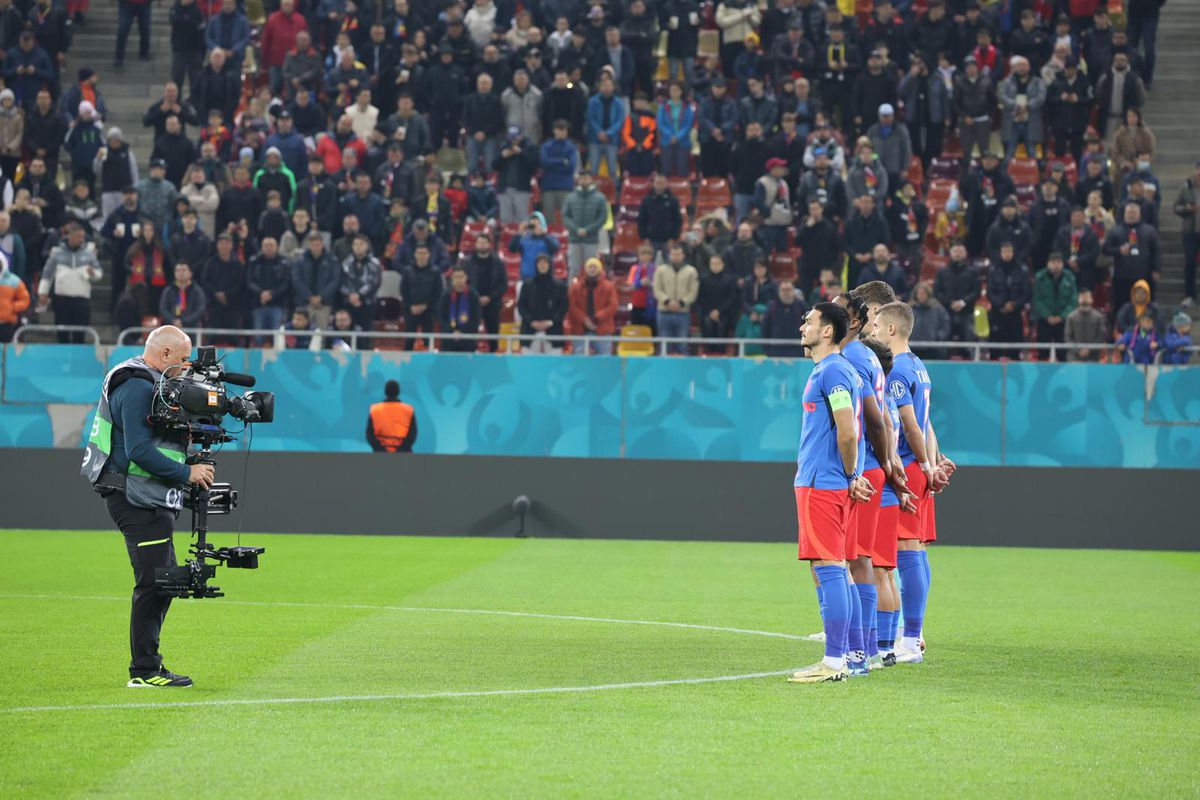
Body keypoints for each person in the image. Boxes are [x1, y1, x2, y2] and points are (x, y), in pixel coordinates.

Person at [83, 325, 213, 688]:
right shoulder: (138, 385)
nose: (188, 368)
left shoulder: (149, 382)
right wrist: (186, 473)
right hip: (132, 496)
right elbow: (139, 450)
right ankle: (144, 671)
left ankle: (148, 665)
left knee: (164, 580)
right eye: (185, 359)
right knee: (153, 582)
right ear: (166, 355)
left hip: (144, 494)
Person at [788, 302, 868, 684]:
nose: (802, 325)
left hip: (824, 484)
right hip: (826, 480)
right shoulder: (833, 369)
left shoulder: (834, 370)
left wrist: (851, 473)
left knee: (830, 568)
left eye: (809, 321)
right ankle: (854, 655)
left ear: (826, 332)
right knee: (838, 569)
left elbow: (848, 429)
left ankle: (834, 662)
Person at [871, 301, 937, 665]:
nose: (875, 330)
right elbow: (927, 424)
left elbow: (911, 425)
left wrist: (925, 465)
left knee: (907, 550)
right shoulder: (919, 365)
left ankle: (910, 639)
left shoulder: (896, 371)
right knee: (917, 549)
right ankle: (912, 633)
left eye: (879, 325)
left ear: (893, 330)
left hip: (908, 465)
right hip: (918, 465)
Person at [37, 223, 101, 342]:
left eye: (83, 237)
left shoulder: (89, 254)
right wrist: (43, 292)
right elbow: (47, 274)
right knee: (62, 332)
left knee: (80, 333)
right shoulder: (56, 253)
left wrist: (93, 273)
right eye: (78, 236)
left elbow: (99, 273)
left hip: (82, 299)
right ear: (70, 236)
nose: (81, 240)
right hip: (62, 299)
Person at [1104, 202, 1161, 320]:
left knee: (1147, 306)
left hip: (1143, 276)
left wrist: (1157, 269)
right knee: (1120, 306)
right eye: (1129, 213)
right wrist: (1119, 250)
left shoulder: (1149, 230)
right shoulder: (1116, 231)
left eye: (1134, 213)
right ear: (1124, 214)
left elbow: (1156, 251)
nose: (1131, 215)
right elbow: (1106, 249)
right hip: (1122, 277)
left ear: (1139, 214)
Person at [1032, 252, 1078, 360]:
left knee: (1062, 354)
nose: (1056, 265)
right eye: (1053, 262)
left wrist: (1061, 316)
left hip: (1063, 322)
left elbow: (1073, 301)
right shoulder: (1040, 277)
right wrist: (1048, 316)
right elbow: (1037, 300)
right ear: (1048, 264)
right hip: (1044, 321)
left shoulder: (1069, 278)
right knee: (1042, 354)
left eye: (1058, 262)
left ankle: (1063, 375)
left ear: (1062, 264)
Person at [517, 253, 567, 353]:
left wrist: (551, 322)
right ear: (536, 265)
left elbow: (563, 306)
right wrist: (532, 321)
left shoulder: (559, 285)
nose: (542, 265)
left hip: (554, 330)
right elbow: (521, 306)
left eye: (545, 263)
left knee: (555, 365)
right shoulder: (527, 285)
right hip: (530, 330)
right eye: (540, 263)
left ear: (550, 265)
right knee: (528, 365)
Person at [567, 257, 618, 355]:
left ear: (599, 269)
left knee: (604, 362)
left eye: (595, 266)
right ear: (586, 269)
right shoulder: (575, 288)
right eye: (590, 266)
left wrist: (596, 318)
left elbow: (613, 306)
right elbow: (572, 306)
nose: (592, 269)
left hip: (603, 330)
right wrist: (585, 320)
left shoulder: (609, 287)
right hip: (580, 330)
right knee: (579, 362)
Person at [998, 56, 1046, 160]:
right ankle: (1007, 175)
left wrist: (1028, 106)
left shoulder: (1038, 81)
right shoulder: (1007, 81)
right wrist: (1016, 106)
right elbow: (1001, 96)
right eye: (1019, 65)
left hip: (1030, 122)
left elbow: (1041, 97)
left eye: (1024, 65)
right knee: (1009, 154)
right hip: (1012, 122)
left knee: (1032, 153)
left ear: (1029, 67)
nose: (1022, 68)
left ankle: (1033, 174)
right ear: (1015, 67)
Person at [291, 231, 338, 329]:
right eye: (312, 245)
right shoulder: (299, 260)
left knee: (321, 334)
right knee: (301, 332)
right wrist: (310, 297)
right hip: (304, 302)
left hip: (324, 304)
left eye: (318, 244)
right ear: (308, 245)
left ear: (322, 244)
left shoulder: (332, 260)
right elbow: (296, 280)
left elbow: (334, 281)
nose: (315, 247)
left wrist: (320, 297)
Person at [400, 242, 443, 350]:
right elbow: (403, 290)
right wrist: (410, 306)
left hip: (429, 310)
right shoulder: (407, 271)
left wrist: (426, 305)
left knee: (429, 339)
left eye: (424, 253)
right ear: (415, 255)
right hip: (411, 310)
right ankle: (406, 362)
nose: (422, 256)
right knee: (409, 338)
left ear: (429, 255)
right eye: (419, 253)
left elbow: (438, 291)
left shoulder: (435, 271)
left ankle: (429, 363)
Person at [696, 254, 740, 353]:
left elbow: (731, 298)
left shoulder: (729, 279)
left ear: (722, 265)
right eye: (713, 264)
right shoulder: (704, 279)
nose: (715, 266)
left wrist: (719, 311)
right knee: (707, 324)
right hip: (707, 313)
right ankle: (708, 353)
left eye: (717, 264)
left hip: (724, 313)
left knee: (723, 325)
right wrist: (710, 311)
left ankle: (721, 354)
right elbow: (700, 298)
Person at [1172, 161, 1200, 306]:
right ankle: (1189, 294)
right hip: (1190, 232)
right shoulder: (1186, 187)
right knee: (1189, 262)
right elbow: (1176, 207)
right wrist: (1188, 208)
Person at [340, 234, 382, 331]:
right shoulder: (346, 262)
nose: (358, 247)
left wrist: (359, 295)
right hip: (349, 302)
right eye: (355, 244)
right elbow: (342, 281)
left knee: (366, 330)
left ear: (367, 246)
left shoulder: (374, 263)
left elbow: (375, 282)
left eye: (361, 244)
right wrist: (350, 295)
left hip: (368, 303)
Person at [539, 119, 577, 223]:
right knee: (548, 219)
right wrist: (562, 161)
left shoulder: (571, 148)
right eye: (560, 129)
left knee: (566, 218)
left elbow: (571, 167)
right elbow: (544, 163)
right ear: (554, 130)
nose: (563, 132)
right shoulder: (546, 146)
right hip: (548, 187)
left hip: (565, 187)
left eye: (565, 130)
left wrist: (553, 163)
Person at [438, 265, 481, 353]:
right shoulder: (445, 296)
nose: (459, 280)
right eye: (456, 277)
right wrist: (452, 332)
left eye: (461, 277)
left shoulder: (473, 296)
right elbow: (442, 317)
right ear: (451, 279)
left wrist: (463, 333)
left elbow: (476, 318)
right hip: (448, 340)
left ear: (466, 278)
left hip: (468, 340)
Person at [366, 379, 417, 452]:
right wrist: (400, 451)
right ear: (398, 392)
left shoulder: (375, 410)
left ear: (385, 392)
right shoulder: (408, 410)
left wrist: (381, 451)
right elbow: (412, 435)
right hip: (403, 458)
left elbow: (370, 435)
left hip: (379, 458)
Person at [1065, 289, 1110, 362]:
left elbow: (1101, 337)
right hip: (1074, 358)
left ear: (1092, 299)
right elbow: (1067, 337)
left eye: (1087, 296)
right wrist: (1077, 350)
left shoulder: (1099, 317)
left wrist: (1089, 350)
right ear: (1078, 299)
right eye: (1082, 297)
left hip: (1093, 357)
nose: (1084, 299)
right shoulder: (1071, 317)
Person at [158, 261, 207, 328]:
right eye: (178, 270)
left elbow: (200, 309)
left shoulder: (197, 291)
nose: (180, 273)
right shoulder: (168, 290)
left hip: (191, 327)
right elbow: (163, 309)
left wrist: (184, 321)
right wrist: (173, 321)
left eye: (184, 270)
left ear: (190, 273)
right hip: (171, 327)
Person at [909, 281, 949, 359]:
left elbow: (945, 324)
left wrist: (939, 337)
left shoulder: (938, 308)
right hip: (913, 348)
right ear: (915, 295)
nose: (921, 296)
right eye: (919, 293)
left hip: (933, 348)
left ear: (928, 295)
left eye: (924, 293)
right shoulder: (908, 309)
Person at [0, 250, 29, 342]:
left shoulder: (14, 281)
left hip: (7, 323)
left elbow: (25, 299)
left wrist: (13, 307)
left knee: (6, 351)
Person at [628, 244, 657, 333]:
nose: (645, 257)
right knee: (636, 331)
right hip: (637, 305)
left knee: (651, 331)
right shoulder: (634, 268)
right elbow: (631, 286)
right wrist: (640, 283)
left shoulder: (656, 269)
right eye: (643, 254)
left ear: (652, 256)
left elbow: (659, 287)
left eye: (648, 254)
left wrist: (650, 284)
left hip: (652, 306)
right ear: (639, 255)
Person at [115, 0, 153, 67]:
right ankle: (119, 57)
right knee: (123, 28)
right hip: (126, 3)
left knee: (145, 28)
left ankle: (144, 53)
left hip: (144, 3)